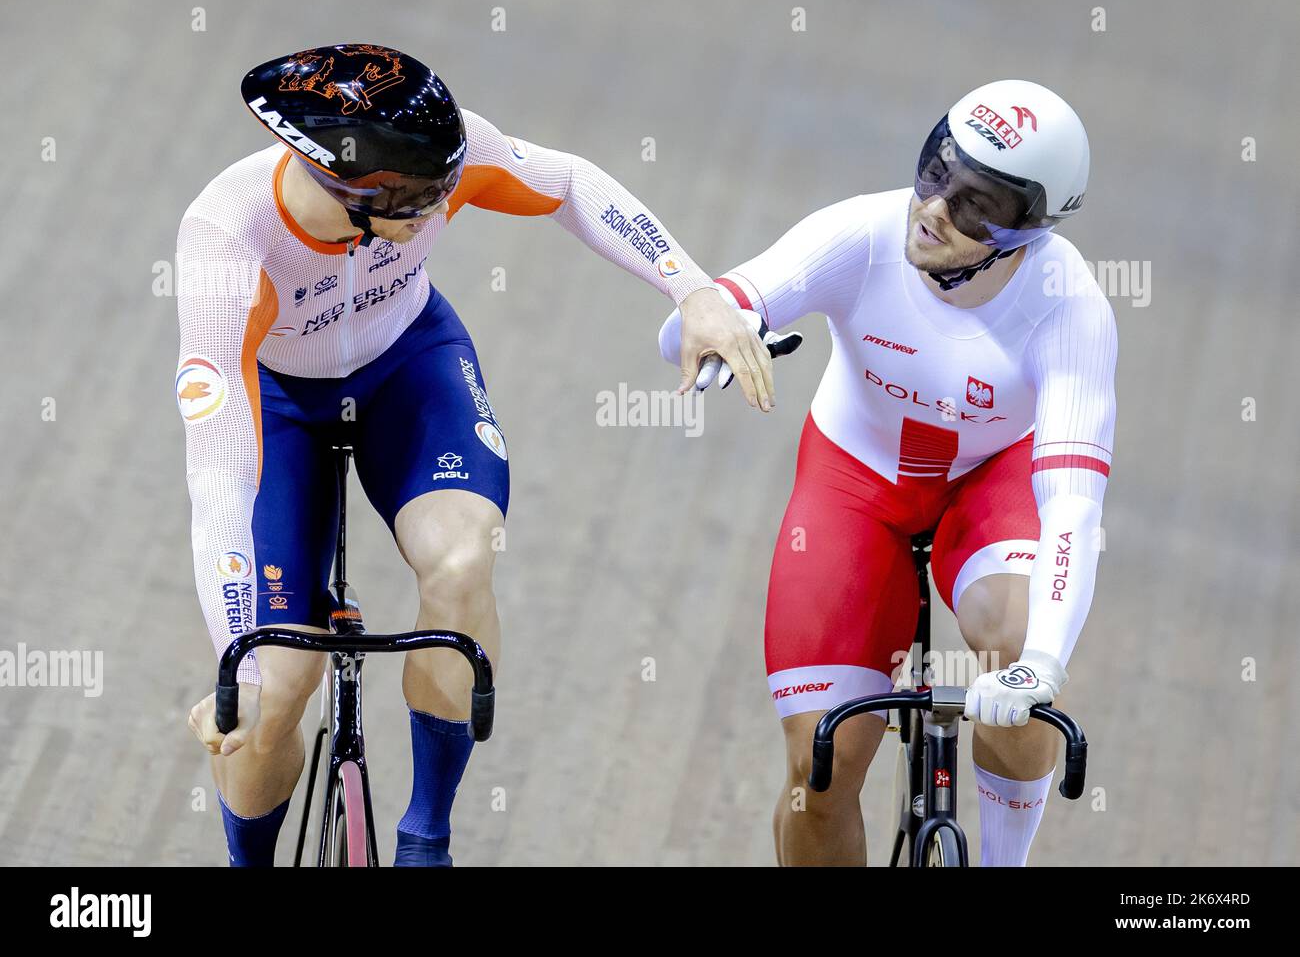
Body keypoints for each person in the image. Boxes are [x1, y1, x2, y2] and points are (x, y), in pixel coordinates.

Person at [177, 43, 775, 867]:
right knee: (274, 690)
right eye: (421, 200)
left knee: (461, 565)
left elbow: (565, 183)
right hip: (277, 408)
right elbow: (218, 477)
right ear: (350, 187)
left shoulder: (431, 163)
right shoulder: (227, 242)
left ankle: (428, 836)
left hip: (406, 363)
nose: (444, 204)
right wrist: (234, 665)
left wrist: (694, 288)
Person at [660, 79, 1116, 866]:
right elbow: (691, 324)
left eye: (978, 204)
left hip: (991, 483)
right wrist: (719, 329)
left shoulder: (1067, 302)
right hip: (854, 486)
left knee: (1019, 664)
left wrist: (1040, 666)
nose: (935, 208)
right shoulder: (861, 233)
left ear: (1028, 230)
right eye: (937, 170)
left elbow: (1072, 503)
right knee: (820, 771)